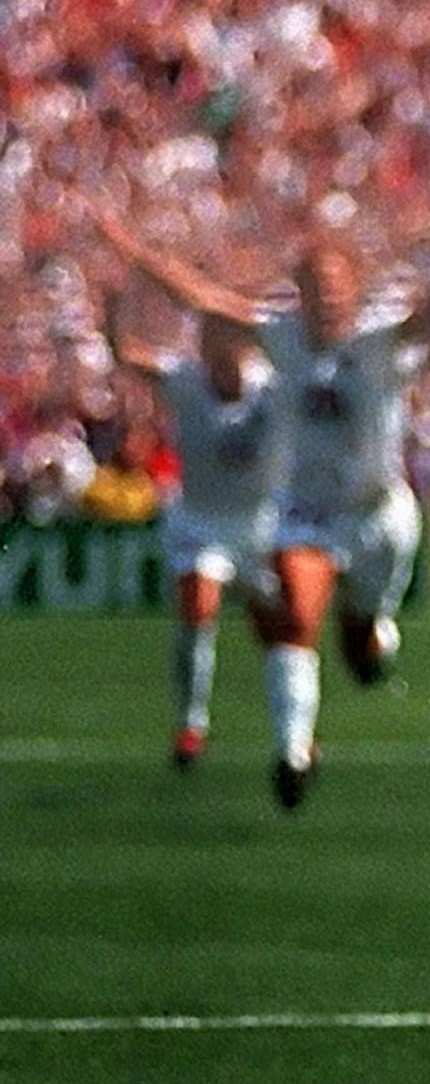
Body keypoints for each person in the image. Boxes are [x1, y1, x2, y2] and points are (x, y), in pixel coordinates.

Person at [87, 192, 430, 809]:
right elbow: (203, 299)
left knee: (360, 647)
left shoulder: (380, 342)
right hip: (309, 515)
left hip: (379, 516)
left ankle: (374, 631)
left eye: (336, 286)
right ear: (301, 295)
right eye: (315, 288)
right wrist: (133, 252)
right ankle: (294, 754)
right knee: (296, 619)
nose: (327, 299)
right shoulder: (281, 338)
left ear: (353, 291)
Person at [97, 285, 286, 769]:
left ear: (242, 345)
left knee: (280, 631)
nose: (213, 352)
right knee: (198, 607)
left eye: (224, 340)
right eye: (207, 341)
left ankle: (293, 730)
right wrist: (114, 307)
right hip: (200, 521)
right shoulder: (185, 381)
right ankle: (191, 725)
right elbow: (126, 354)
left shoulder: (272, 386)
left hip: (260, 525)